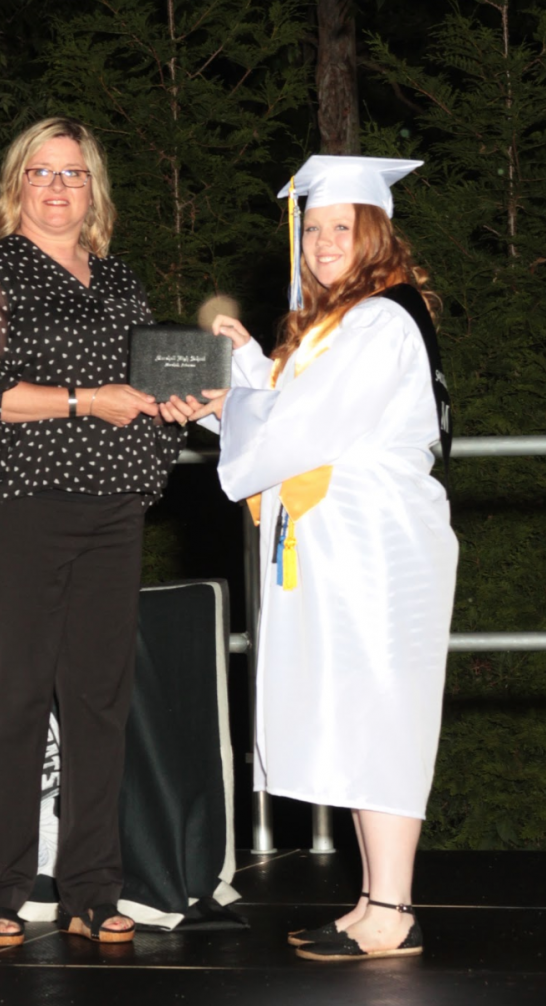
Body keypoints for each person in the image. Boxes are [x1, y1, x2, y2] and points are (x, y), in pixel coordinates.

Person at [185, 155, 458, 962]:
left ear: (374, 233)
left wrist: (234, 392)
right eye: (315, 229)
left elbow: (298, 428)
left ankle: (394, 909)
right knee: (363, 713)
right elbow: (292, 407)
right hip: (348, 540)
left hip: (381, 544)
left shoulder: (380, 320)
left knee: (386, 714)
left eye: (343, 227)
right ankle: (376, 900)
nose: (325, 241)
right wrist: (231, 378)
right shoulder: (349, 319)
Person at [0, 117, 187, 946]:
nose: (57, 188)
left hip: (112, 511)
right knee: (12, 701)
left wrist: (180, 406)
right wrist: (90, 399)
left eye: (73, 175)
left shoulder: (118, 281)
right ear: (18, 185)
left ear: (95, 190)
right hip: (17, 507)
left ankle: (91, 890)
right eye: (41, 173)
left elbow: (153, 385)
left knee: (98, 705)